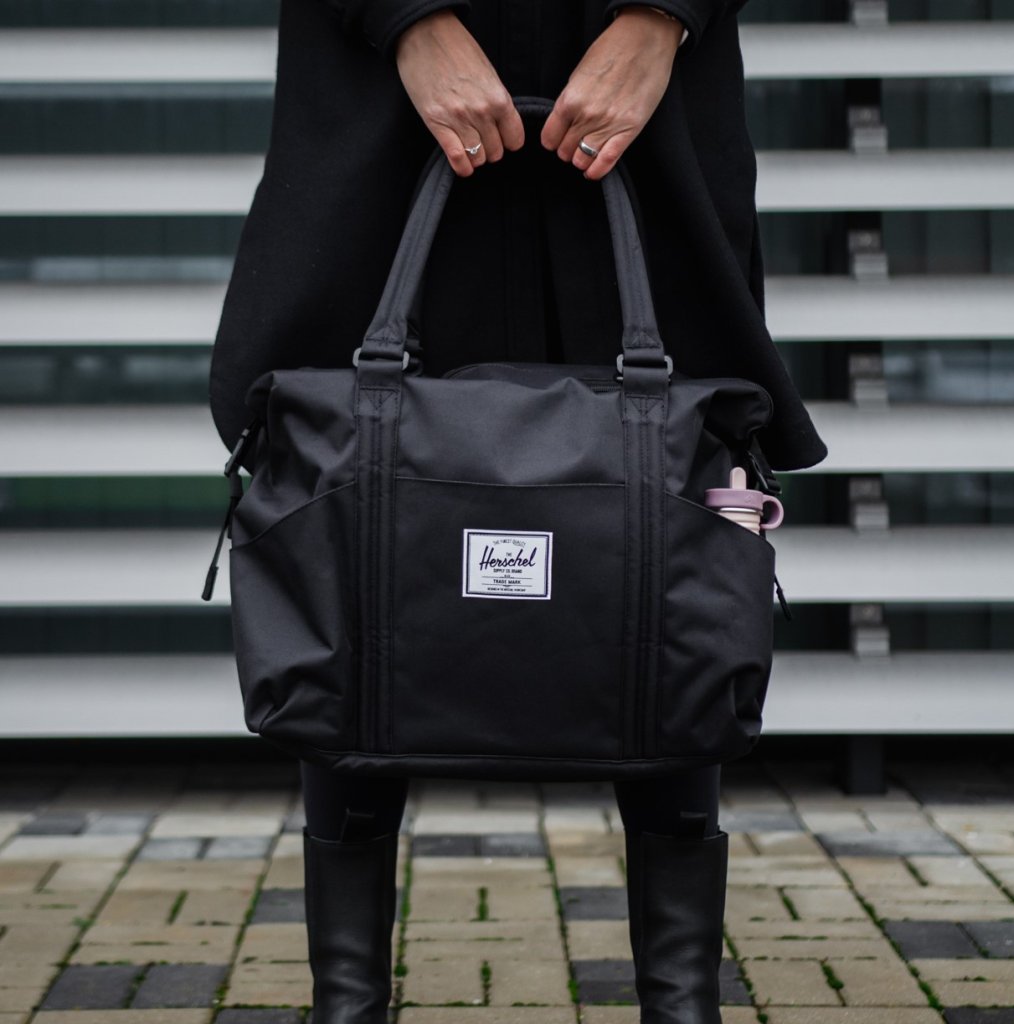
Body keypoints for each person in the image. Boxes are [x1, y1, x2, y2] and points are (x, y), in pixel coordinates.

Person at [208, 2, 827, 1021]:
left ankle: (681, 999)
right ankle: (347, 1001)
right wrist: (404, 18)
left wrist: (661, 17)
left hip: (641, 104)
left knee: (665, 502)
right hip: (383, 102)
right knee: (358, 511)